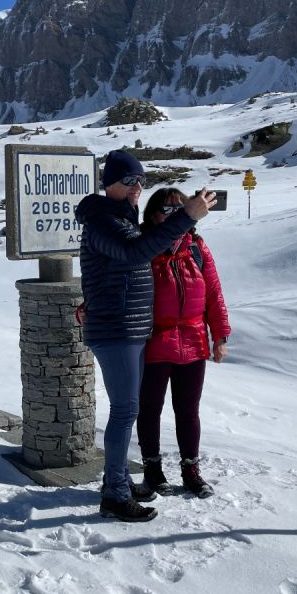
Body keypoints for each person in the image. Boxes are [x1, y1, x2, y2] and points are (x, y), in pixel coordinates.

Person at [74, 150, 215, 523]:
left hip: (130, 327)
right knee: (125, 412)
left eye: (141, 180)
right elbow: (135, 253)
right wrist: (186, 216)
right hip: (118, 329)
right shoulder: (104, 222)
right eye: (129, 180)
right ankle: (115, 496)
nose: (137, 187)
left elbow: (117, 268)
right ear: (110, 184)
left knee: (128, 409)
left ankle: (118, 480)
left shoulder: (121, 219)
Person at [136, 187, 231, 499]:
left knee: (188, 411)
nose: (176, 215)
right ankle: (152, 470)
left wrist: (220, 336)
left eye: (181, 208)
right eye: (168, 209)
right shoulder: (143, 247)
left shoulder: (196, 247)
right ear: (153, 215)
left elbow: (214, 294)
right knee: (150, 409)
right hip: (153, 343)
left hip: (192, 341)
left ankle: (191, 470)